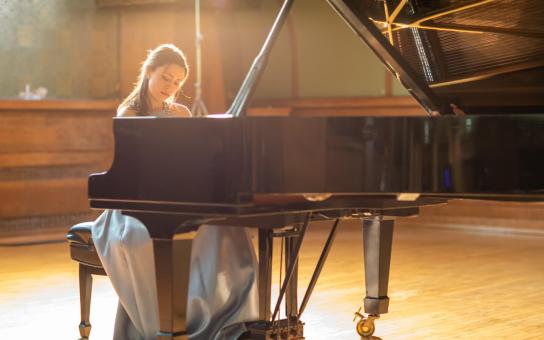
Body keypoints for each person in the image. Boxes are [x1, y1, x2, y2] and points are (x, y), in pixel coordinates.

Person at [90, 44, 259, 340]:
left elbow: (192, 163)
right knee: (146, 238)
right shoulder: (129, 113)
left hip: (178, 198)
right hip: (135, 204)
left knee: (228, 229)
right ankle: (174, 322)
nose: (171, 87)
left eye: (178, 82)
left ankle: (229, 317)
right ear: (148, 72)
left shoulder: (181, 112)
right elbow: (135, 173)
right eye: (166, 78)